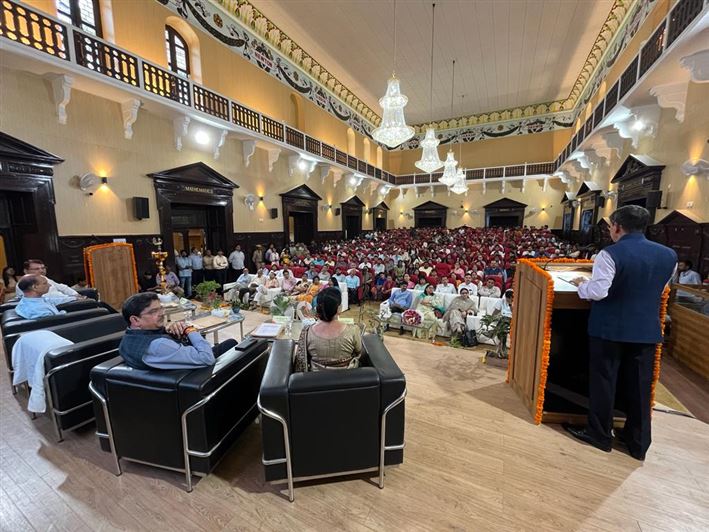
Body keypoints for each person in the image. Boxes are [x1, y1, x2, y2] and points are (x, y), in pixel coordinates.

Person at [565, 206, 677, 461]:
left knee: (605, 382)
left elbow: (598, 292)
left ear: (616, 227)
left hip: (609, 329)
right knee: (639, 387)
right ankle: (637, 443)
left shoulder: (610, 254)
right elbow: (660, 290)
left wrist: (582, 286)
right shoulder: (669, 255)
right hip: (646, 330)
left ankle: (600, 435)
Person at [118, 292, 236, 370]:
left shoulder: (126, 341)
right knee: (232, 344)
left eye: (161, 308)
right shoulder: (158, 345)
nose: (162, 313)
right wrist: (189, 329)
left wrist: (170, 332)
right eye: (154, 311)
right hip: (199, 375)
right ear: (135, 320)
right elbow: (207, 358)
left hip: (177, 368)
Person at [294, 287, 361, 372]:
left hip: (315, 381)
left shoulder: (307, 332)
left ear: (318, 308)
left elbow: (302, 358)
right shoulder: (353, 330)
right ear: (339, 308)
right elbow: (358, 352)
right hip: (347, 380)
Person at [15, 259, 81, 301]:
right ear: (26, 271)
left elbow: (62, 287)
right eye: (37, 269)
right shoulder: (24, 283)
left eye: (43, 268)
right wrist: (73, 299)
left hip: (65, 300)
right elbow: (47, 300)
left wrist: (75, 294)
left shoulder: (43, 278)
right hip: (58, 306)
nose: (41, 271)